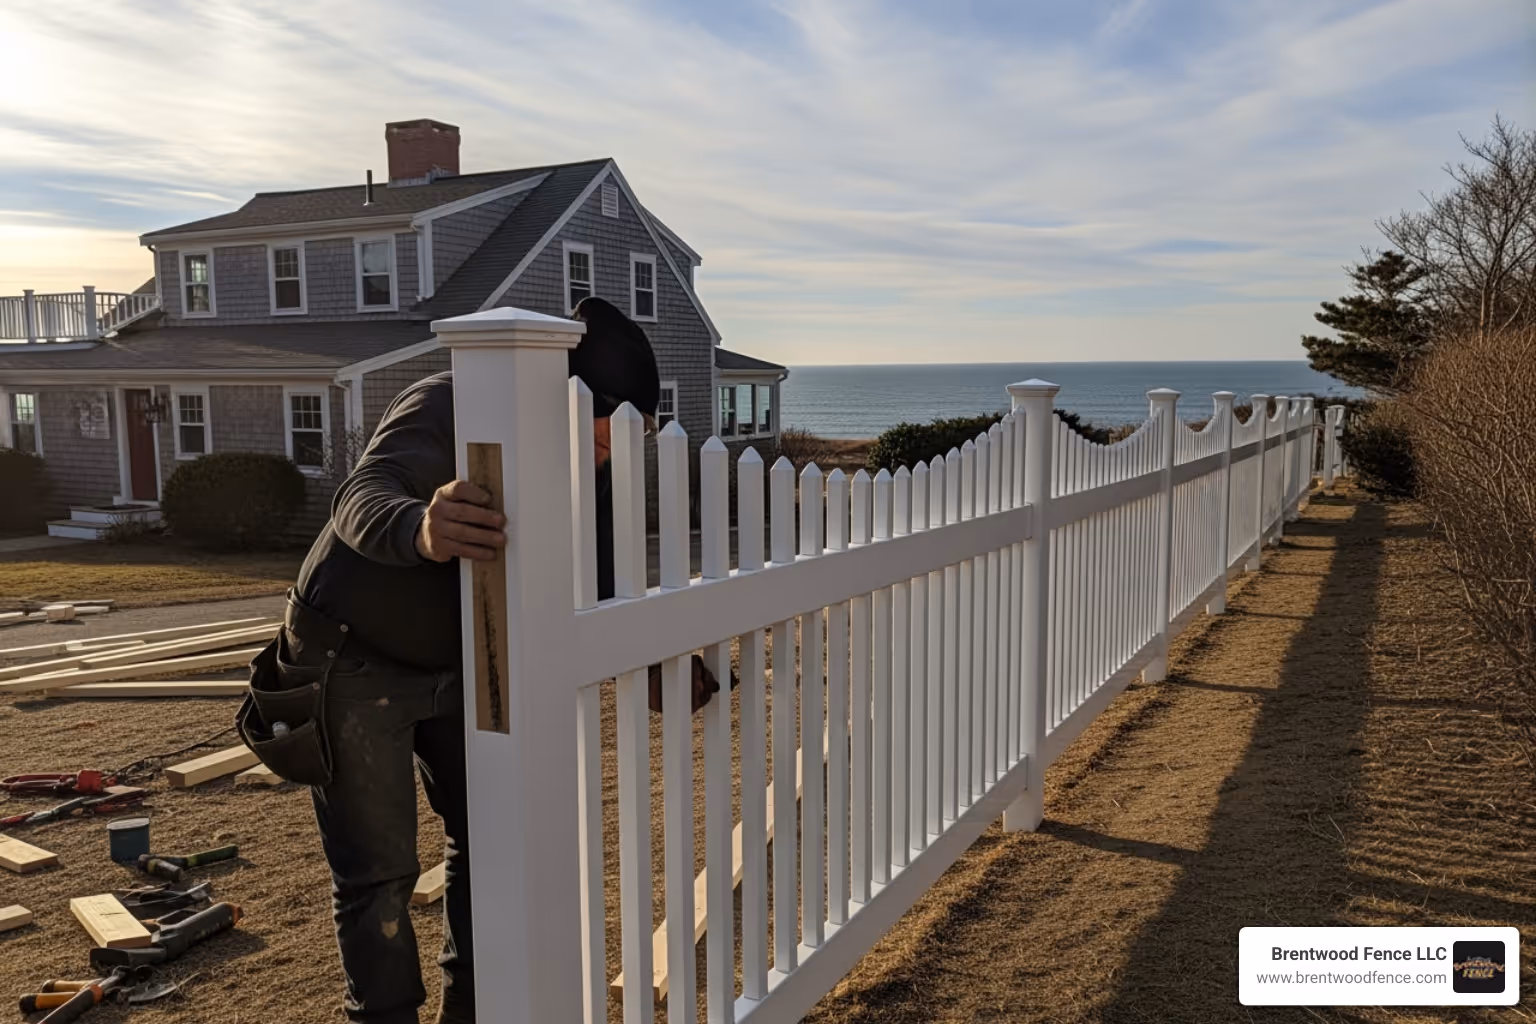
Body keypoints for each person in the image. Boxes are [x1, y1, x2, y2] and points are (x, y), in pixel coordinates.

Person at [237, 297, 723, 1024]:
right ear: (571, 396)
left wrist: (653, 661)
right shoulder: (446, 403)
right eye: (605, 429)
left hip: (468, 657)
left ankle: (471, 1012)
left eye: (629, 436)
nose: (612, 450)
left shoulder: (592, 457)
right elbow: (361, 495)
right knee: (379, 874)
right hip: (352, 653)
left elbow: (600, 572)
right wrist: (421, 527)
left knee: (489, 842)